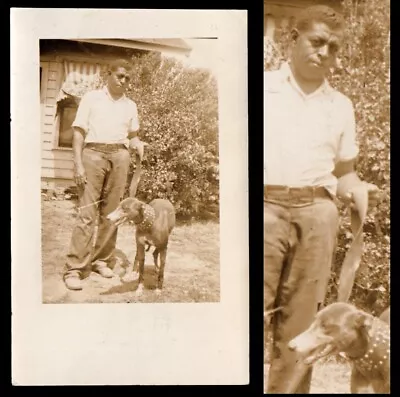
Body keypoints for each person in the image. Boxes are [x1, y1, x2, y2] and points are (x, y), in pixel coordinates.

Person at [264, 5, 380, 393]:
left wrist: (357, 190)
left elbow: (345, 174)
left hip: (318, 215)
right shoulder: (262, 89)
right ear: (293, 39)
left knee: (302, 329)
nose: (325, 53)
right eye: (317, 42)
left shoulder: (341, 106)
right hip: (262, 210)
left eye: (333, 47)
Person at [63, 58, 145, 291]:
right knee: (87, 214)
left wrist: (138, 143)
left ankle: (101, 260)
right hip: (93, 155)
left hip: (120, 156)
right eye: (119, 75)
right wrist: (78, 164)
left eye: (127, 77)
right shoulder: (91, 98)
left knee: (113, 214)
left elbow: (133, 135)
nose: (123, 80)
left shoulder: (131, 105)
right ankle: (74, 269)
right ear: (108, 75)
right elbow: (78, 132)